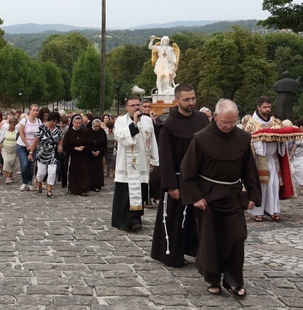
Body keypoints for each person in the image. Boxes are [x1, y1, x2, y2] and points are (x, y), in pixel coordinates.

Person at [180, 99, 261, 297]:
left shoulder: (243, 138)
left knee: (237, 236)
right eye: (225, 122)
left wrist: (253, 194)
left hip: (232, 195)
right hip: (207, 198)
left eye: (233, 122)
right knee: (211, 239)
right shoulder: (201, 138)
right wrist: (195, 197)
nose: (229, 126)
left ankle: (234, 279)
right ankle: (213, 278)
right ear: (215, 117)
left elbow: (249, 169)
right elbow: (187, 171)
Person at [150, 83, 209, 268]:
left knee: (198, 220)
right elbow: (165, 158)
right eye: (186, 99)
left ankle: (199, 252)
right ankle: (172, 254)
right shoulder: (168, 125)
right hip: (177, 178)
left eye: (193, 98)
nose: (191, 102)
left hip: (199, 179)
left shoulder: (202, 119)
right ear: (177, 101)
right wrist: (171, 186)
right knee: (175, 220)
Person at [112, 96, 158, 232]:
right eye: (133, 105)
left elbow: (152, 139)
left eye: (138, 105)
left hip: (142, 163)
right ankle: (125, 221)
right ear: (127, 107)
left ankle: (136, 219)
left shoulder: (148, 120)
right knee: (125, 194)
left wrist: (155, 160)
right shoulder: (121, 121)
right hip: (126, 165)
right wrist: (135, 123)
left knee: (140, 191)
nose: (136, 107)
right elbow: (121, 137)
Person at [244, 96, 290, 222]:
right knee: (261, 186)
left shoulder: (275, 121)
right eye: (264, 107)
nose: (267, 109)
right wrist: (263, 139)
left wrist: (279, 139)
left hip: (273, 158)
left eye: (269, 107)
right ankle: (258, 212)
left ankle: (274, 210)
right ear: (258, 107)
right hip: (260, 159)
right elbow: (249, 141)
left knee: (274, 185)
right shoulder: (252, 123)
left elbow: (282, 137)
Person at [31, 111, 64, 198]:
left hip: (52, 154)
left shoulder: (58, 130)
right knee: (41, 173)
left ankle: (49, 191)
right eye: (52, 121)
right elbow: (36, 141)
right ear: (49, 120)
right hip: (42, 153)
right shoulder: (42, 128)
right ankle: (39, 183)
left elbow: (60, 138)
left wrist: (60, 145)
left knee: (52, 172)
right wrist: (31, 152)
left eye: (55, 122)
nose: (53, 123)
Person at [63, 114, 91, 196]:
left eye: (79, 123)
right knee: (74, 172)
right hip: (73, 156)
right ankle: (74, 189)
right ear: (73, 123)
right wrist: (75, 148)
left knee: (83, 172)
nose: (78, 125)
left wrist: (84, 147)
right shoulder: (69, 133)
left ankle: (84, 189)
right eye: (76, 123)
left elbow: (89, 144)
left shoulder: (84, 132)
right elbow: (66, 146)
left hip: (82, 155)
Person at [17, 104, 41, 191]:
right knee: (25, 164)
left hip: (33, 146)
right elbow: (21, 133)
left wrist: (33, 146)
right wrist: (27, 144)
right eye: (33, 110)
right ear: (30, 111)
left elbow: (39, 135)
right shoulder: (24, 120)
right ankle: (24, 182)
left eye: (36, 110)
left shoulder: (39, 121)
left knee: (31, 165)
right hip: (22, 145)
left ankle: (29, 182)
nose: (35, 112)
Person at [0, 115, 19, 184]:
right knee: (6, 161)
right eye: (11, 124)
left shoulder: (17, 129)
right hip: (5, 148)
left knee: (12, 162)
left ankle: (10, 175)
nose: (12, 126)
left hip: (14, 148)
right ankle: (7, 177)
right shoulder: (4, 128)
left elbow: (19, 138)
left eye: (14, 125)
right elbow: (0, 136)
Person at [88, 119, 107, 191]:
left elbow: (104, 144)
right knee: (90, 170)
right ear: (92, 125)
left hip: (99, 154)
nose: (97, 128)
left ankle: (97, 185)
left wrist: (99, 151)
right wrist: (91, 151)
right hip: (89, 154)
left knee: (98, 170)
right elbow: (85, 143)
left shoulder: (102, 132)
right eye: (95, 126)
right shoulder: (88, 131)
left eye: (98, 126)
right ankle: (90, 185)